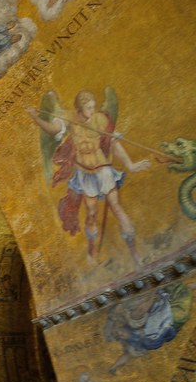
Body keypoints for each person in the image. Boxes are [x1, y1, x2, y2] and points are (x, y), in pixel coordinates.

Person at [27, 90, 150, 266]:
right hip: (85, 174)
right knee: (91, 213)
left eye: (93, 107)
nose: (92, 111)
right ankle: (91, 250)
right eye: (88, 108)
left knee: (117, 207)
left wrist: (130, 165)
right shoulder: (69, 118)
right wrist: (35, 118)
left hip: (103, 170)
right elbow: (53, 129)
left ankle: (135, 254)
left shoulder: (100, 119)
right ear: (80, 108)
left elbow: (113, 143)